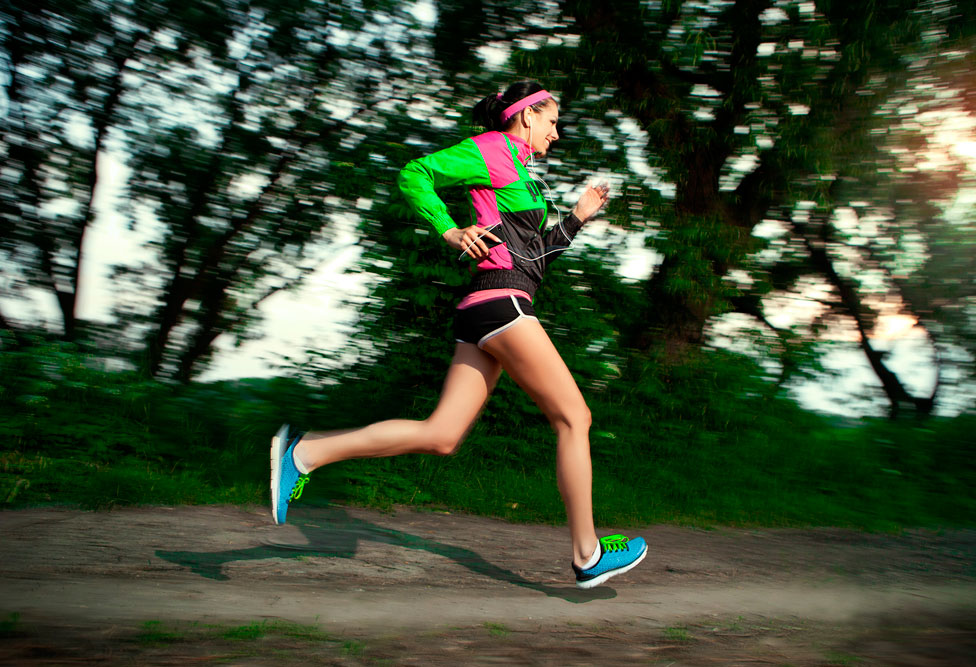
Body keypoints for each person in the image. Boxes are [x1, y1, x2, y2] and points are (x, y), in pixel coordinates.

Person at [270, 81, 646, 589]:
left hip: (490, 306)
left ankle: (305, 454)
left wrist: (577, 218)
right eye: (553, 121)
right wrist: (449, 229)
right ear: (526, 117)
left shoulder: (524, 178)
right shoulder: (493, 150)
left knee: (442, 436)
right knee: (575, 417)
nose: (556, 134)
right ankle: (587, 554)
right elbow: (415, 173)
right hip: (502, 306)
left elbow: (534, 261)